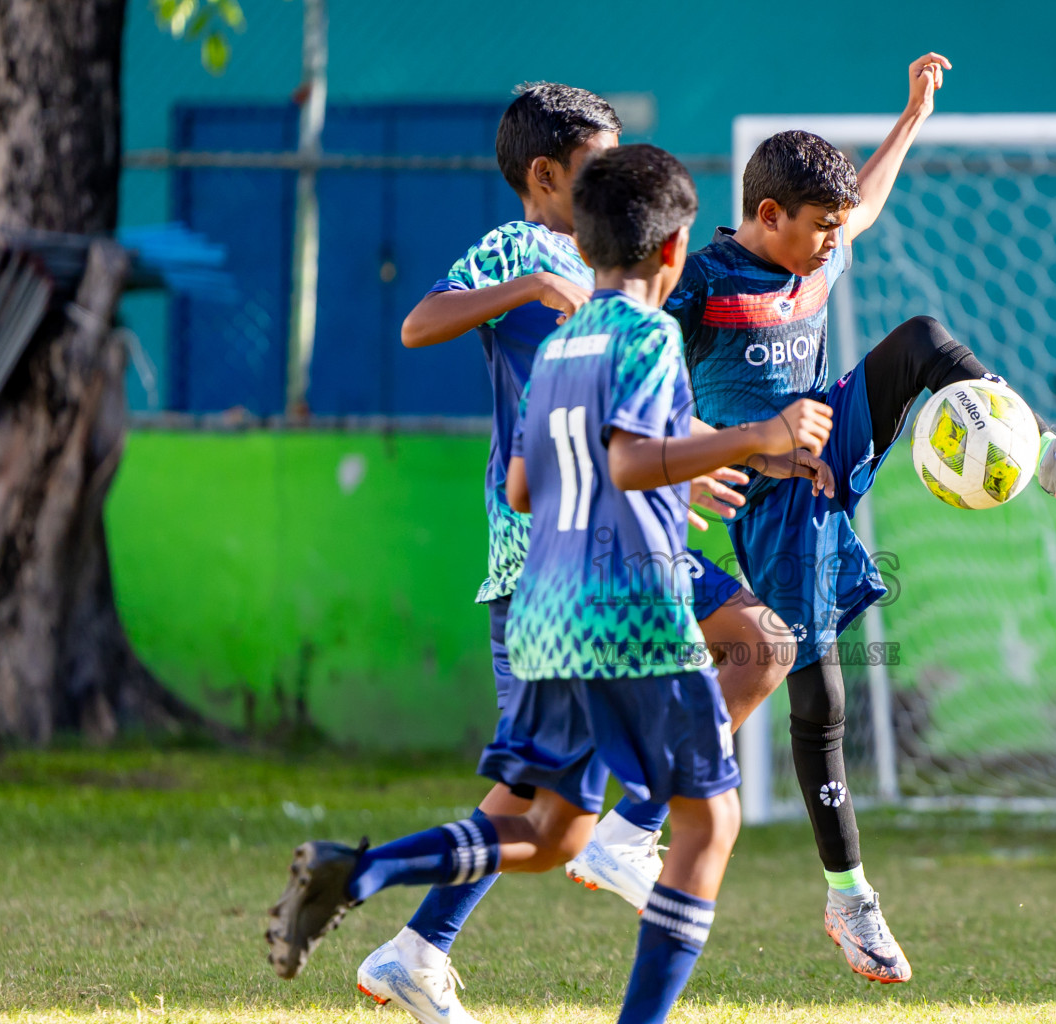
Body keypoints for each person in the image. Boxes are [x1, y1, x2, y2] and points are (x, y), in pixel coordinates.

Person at [266, 144, 836, 1024]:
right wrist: (754, 437)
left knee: (544, 832)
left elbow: (528, 485)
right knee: (706, 825)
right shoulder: (646, 335)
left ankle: (364, 870)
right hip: (630, 609)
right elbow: (632, 459)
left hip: (547, 609)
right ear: (676, 252)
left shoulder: (564, 343)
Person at [653, 53, 1056, 983]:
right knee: (820, 697)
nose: (838, 241)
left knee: (919, 341)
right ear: (767, 218)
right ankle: (850, 899)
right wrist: (697, 453)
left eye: (838, 229)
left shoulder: (819, 253)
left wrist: (910, 115)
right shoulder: (703, 284)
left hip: (828, 441)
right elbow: (638, 365)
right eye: (820, 229)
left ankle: (1053, 456)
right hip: (768, 492)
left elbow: (863, 202)